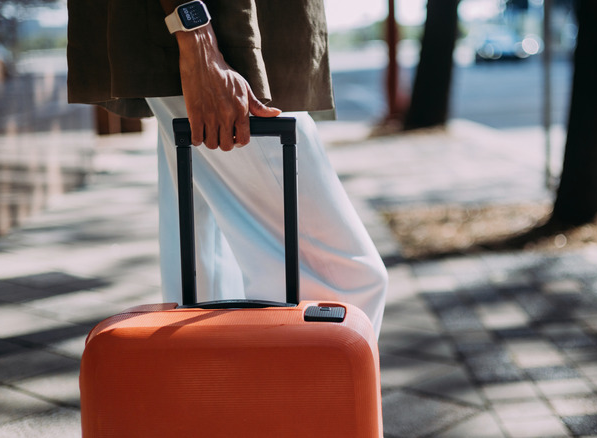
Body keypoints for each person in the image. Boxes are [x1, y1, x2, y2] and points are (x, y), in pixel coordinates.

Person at [66, 0, 387, 335]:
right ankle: (296, 389)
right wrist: (196, 36)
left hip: (211, 44)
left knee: (207, 288)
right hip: (221, 44)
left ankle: (219, 389)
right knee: (346, 283)